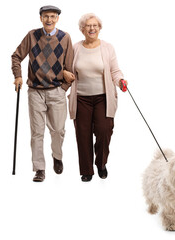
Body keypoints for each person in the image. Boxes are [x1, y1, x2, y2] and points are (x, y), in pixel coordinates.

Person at [11, 5, 75, 182]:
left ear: (57, 19)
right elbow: (16, 56)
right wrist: (18, 76)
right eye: (46, 16)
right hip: (35, 92)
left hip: (56, 91)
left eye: (53, 16)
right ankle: (39, 168)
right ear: (40, 18)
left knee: (58, 131)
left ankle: (57, 156)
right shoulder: (32, 36)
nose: (49, 20)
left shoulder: (65, 38)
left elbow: (70, 69)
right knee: (37, 132)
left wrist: (63, 88)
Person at [67, 13, 127, 182]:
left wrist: (120, 80)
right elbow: (69, 71)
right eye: (88, 25)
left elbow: (115, 70)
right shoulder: (75, 48)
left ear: (99, 28)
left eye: (95, 25)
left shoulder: (107, 48)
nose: (92, 28)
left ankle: (101, 163)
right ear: (82, 29)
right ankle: (86, 171)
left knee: (104, 130)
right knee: (82, 134)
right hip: (80, 98)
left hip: (103, 98)